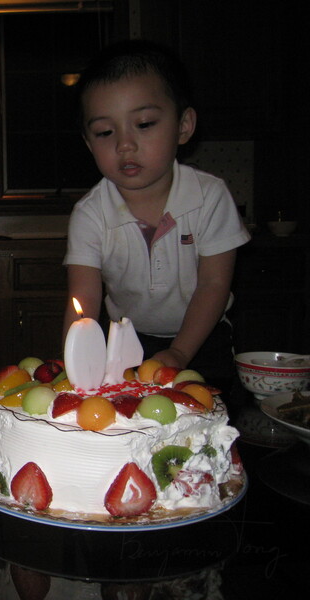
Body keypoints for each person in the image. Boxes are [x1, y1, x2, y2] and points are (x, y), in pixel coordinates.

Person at [62, 40, 250, 389]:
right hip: (127, 343)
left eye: (144, 124)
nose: (124, 145)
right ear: (88, 143)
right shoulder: (89, 214)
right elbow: (82, 299)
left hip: (203, 339)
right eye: (105, 132)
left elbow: (214, 285)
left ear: (184, 125)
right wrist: (74, 365)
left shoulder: (210, 197)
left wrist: (179, 352)